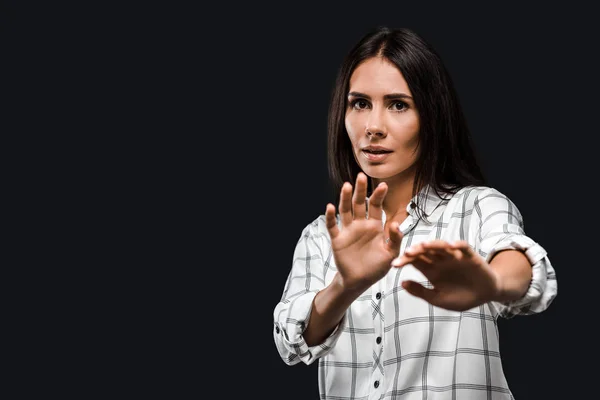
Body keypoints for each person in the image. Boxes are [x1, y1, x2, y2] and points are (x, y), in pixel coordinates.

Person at [272, 26, 557, 399]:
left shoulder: (475, 207)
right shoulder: (321, 235)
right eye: (360, 103)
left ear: (432, 115)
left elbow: (519, 262)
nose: (373, 127)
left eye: (398, 104)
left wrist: (490, 283)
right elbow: (292, 343)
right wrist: (346, 286)